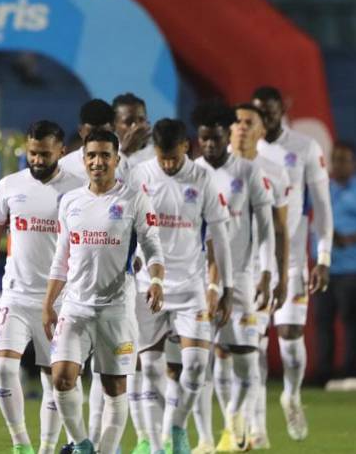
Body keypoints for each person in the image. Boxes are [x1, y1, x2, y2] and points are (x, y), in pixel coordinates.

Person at [43, 128, 165, 454]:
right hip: (76, 305)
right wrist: (48, 303)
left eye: (105, 155)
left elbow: (153, 247)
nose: (98, 162)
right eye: (92, 155)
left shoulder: (134, 199)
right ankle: (83, 446)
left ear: (116, 159)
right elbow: (61, 257)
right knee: (62, 378)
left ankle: (106, 450)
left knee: (114, 388)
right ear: (83, 160)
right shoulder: (70, 201)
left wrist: (156, 280)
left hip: (116, 307)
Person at [127, 118, 233, 454]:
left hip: (190, 287)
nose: (168, 164)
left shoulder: (203, 179)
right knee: (152, 368)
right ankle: (157, 446)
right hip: (148, 288)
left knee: (198, 365)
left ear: (187, 147)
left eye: (173, 157)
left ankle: (177, 425)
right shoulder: (140, 174)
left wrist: (223, 286)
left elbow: (219, 238)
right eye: (163, 158)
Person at [0, 120, 83, 454]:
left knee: (53, 379)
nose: (38, 160)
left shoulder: (78, 189)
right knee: (2, 367)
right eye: (32, 153)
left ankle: (46, 447)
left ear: (61, 151)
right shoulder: (9, 185)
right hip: (15, 295)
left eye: (45, 154)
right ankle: (20, 444)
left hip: (59, 301)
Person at [251, 86, 334, 441]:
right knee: (250, 342)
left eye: (271, 111)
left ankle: (292, 394)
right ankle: (253, 422)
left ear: (283, 108)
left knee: (289, 336)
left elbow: (322, 208)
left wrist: (324, 257)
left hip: (293, 261)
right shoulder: (242, 151)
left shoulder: (304, 149)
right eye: (260, 113)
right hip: (251, 265)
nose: (266, 118)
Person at [192, 102, 275, 452]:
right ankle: (206, 440)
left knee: (245, 354)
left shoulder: (248, 172)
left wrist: (268, 270)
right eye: (204, 139)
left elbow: (267, 228)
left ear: (227, 136)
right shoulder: (190, 172)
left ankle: (234, 419)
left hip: (240, 277)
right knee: (196, 363)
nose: (210, 145)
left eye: (216, 138)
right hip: (195, 281)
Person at [228, 102, 290, 449]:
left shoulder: (274, 173)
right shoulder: (208, 167)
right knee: (221, 357)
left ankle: (252, 426)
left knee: (251, 350)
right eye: (236, 121)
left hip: (255, 275)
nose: (240, 127)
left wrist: (279, 274)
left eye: (248, 122)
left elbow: (280, 231)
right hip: (213, 277)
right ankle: (231, 427)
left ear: (261, 130)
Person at [317, 142, 356, 384]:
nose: (339, 165)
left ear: (354, 163)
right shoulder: (324, 190)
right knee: (323, 322)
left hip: (353, 269)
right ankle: (323, 374)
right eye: (336, 160)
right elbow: (314, 221)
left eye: (344, 160)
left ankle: (351, 371)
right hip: (325, 269)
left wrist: (350, 238)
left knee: (351, 322)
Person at [58, 99, 120, 180]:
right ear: (80, 131)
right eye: (92, 132)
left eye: (103, 132)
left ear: (113, 129)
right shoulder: (64, 168)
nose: (97, 138)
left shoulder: (126, 166)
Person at [113, 93, 153, 170]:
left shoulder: (160, 151)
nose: (137, 127)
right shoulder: (104, 153)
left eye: (141, 120)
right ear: (114, 126)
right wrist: (125, 152)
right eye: (129, 122)